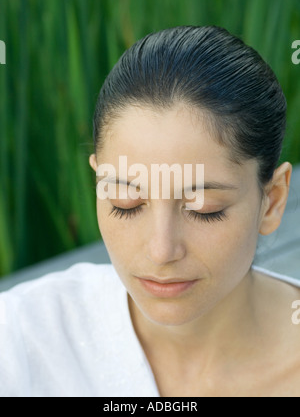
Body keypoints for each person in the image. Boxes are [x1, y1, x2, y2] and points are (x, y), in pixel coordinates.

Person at [1, 25, 300, 397]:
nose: (161, 251)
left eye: (203, 209)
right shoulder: (22, 339)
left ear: (271, 201)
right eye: (126, 204)